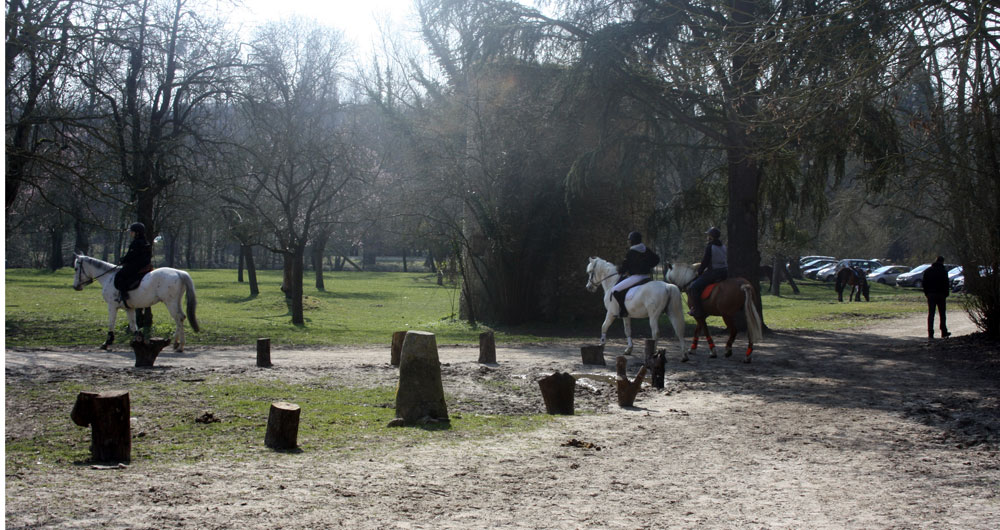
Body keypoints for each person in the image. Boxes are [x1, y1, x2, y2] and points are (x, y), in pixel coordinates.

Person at [611, 231, 660, 318]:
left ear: (633, 241)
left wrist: (619, 270)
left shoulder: (631, 252)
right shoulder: (646, 249)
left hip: (636, 277)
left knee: (615, 290)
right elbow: (656, 259)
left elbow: (624, 267)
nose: (629, 242)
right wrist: (648, 266)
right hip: (647, 277)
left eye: (630, 240)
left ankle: (623, 311)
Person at [688, 227, 728, 318]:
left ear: (711, 237)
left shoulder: (710, 246)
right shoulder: (723, 246)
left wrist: (699, 271)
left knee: (694, 286)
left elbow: (705, 262)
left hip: (714, 273)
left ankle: (697, 310)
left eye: (708, 235)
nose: (707, 237)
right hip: (725, 272)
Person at [114, 222, 152, 307]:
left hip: (136, 265)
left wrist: (123, 260)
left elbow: (131, 255)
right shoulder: (145, 241)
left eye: (132, 232)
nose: (131, 233)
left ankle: (124, 295)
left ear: (137, 233)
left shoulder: (136, 243)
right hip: (144, 264)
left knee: (119, 275)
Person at [922, 255, 951, 339]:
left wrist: (926, 293)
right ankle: (943, 331)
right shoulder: (943, 271)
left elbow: (924, 283)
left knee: (931, 314)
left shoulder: (928, 271)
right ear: (942, 262)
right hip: (941, 294)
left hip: (931, 294)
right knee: (942, 314)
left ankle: (930, 332)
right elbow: (946, 284)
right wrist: (946, 293)